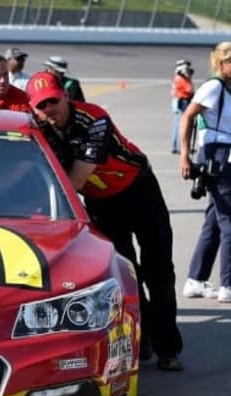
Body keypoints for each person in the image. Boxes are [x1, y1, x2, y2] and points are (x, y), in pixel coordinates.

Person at [27, 71, 183, 371]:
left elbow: (75, 179)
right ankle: (144, 339)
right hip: (101, 202)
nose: (49, 110)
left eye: (53, 101)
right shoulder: (38, 128)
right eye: (41, 105)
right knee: (126, 273)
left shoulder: (94, 118)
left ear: (66, 96)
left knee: (158, 271)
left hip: (139, 190)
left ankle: (168, 348)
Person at [179, 41, 231, 303]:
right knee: (228, 220)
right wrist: (185, 155)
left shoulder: (227, 88)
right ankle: (228, 285)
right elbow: (187, 116)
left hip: (225, 153)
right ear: (222, 64)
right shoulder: (214, 87)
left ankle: (195, 280)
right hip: (217, 155)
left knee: (214, 220)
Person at [171, 59, 195, 154]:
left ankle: (176, 146)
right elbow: (190, 90)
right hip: (182, 101)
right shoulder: (181, 79)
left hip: (179, 101)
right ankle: (179, 147)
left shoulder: (177, 77)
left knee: (178, 124)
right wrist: (188, 78)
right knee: (182, 125)